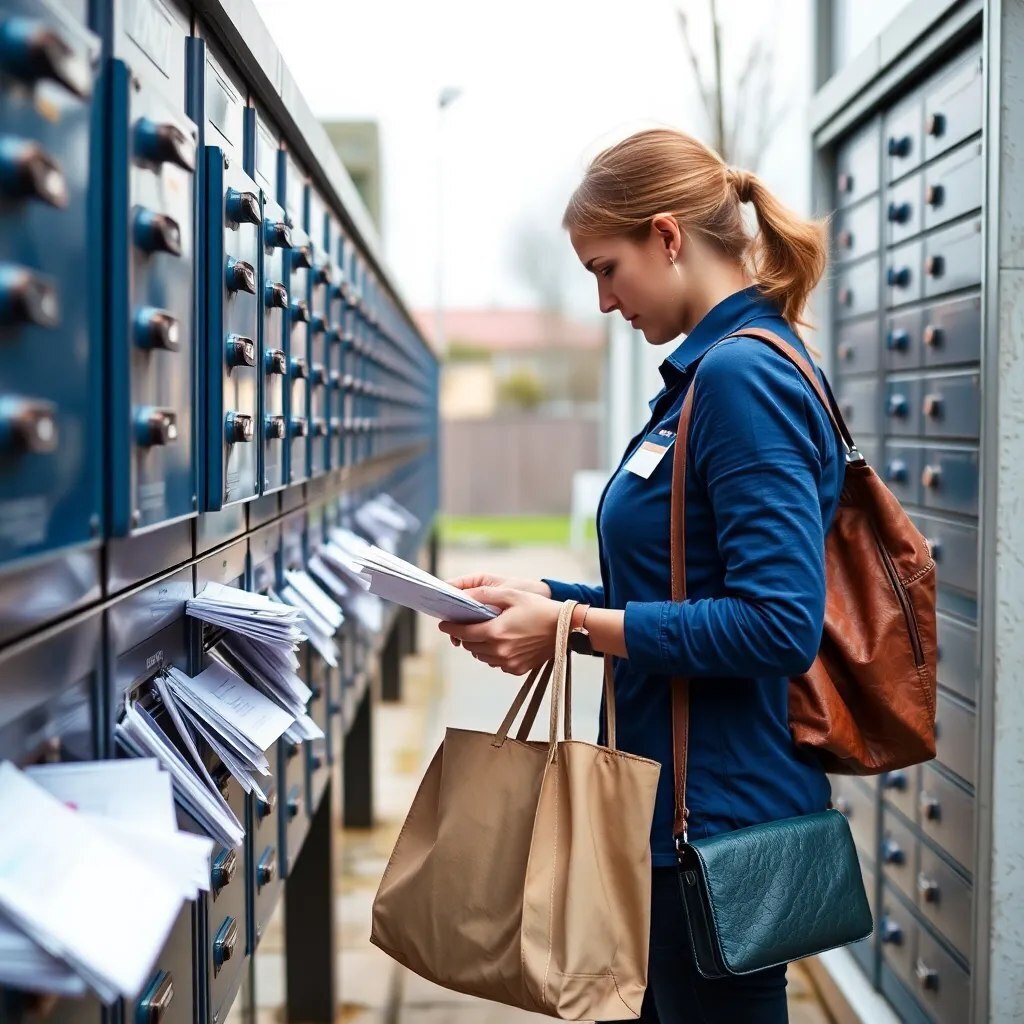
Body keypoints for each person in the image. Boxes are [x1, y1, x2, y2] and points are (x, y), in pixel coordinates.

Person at [438, 127, 841, 1024]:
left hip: (719, 836)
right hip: (667, 816)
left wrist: (574, 630)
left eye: (607, 268)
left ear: (667, 236)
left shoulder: (742, 380)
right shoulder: (700, 378)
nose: (603, 298)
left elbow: (777, 623)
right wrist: (552, 601)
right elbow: (683, 589)